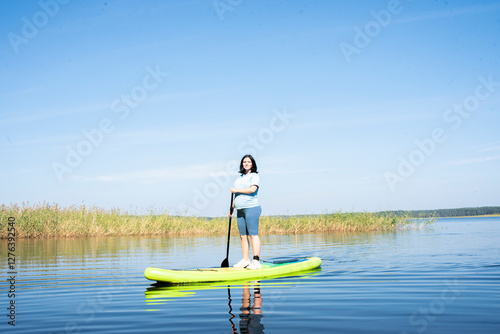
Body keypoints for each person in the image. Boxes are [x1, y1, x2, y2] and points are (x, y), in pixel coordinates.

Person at [229, 154, 262, 269]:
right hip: (240, 210)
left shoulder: (254, 176)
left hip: (251, 208)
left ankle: (256, 261)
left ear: (252, 164)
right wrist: (232, 208)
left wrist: (236, 190)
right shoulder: (240, 178)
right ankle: (245, 260)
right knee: (243, 236)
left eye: (248, 161)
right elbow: (236, 194)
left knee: (253, 235)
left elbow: (252, 189)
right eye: (244, 162)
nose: (246, 163)